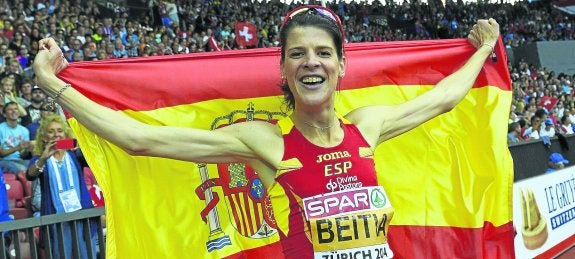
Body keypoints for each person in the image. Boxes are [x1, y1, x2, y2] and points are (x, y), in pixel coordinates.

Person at [32, 5, 500, 258]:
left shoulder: (368, 125)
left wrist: (481, 51)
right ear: (283, 67)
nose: (310, 62)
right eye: (297, 54)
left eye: (322, 52)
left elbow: (442, 98)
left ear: (340, 64)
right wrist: (54, 86)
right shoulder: (263, 140)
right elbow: (140, 139)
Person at [25, 115, 97, 259]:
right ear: (44, 137)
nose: (56, 134)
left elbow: (94, 159)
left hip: (81, 215)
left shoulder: (75, 156)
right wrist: (43, 157)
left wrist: (83, 147)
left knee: (87, 255)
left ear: (65, 134)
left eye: (60, 131)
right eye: (51, 131)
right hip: (56, 219)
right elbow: (30, 175)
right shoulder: (40, 159)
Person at [0, 102, 31, 174]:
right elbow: (1, 154)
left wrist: (26, 150)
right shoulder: (0, 129)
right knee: (23, 170)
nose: (14, 111)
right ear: (4, 114)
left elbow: (23, 155)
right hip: (4, 161)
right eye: (10, 109)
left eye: (16, 109)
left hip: (20, 160)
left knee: (36, 167)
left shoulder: (24, 130)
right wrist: (17, 148)